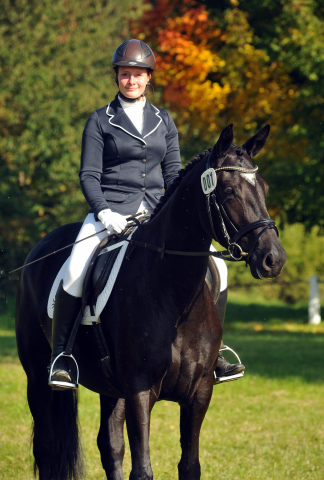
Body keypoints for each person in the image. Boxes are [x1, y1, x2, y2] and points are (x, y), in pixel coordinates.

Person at [48, 39, 244, 390]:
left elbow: (174, 175)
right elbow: (89, 175)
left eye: (138, 74)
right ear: (117, 78)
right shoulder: (100, 120)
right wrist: (104, 211)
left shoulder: (163, 121)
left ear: (148, 78)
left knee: (221, 268)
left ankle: (217, 352)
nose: (131, 81)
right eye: (125, 74)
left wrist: (172, 214)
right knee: (75, 268)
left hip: (156, 213)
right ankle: (62, 356)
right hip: (110, 212)